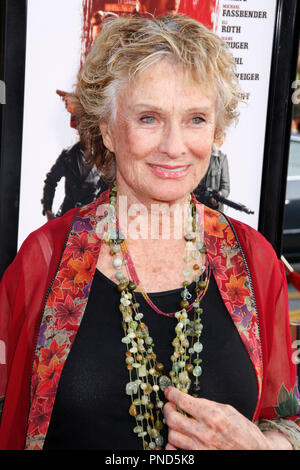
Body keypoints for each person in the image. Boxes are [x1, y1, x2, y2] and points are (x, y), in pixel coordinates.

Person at [0, 14, 300, 451]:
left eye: (196, 118)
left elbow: (290, 415)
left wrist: (265, 445)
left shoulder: (254, 261)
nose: (175, 146)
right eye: (148, 118)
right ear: (107, 128)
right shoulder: (43, 260)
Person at [41, 141, 109, 220]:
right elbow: (51, 180)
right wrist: (48, 209)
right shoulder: (68, 155)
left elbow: (107, 192)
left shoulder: (104, 160)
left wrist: (99, 218)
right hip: (65, 216)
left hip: (88, 220)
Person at [195, 145, 230, 212]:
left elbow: (226, 189)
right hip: (196, 209)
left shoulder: (222, 158)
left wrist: (219, 195)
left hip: (214, 212)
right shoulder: (194, 156)